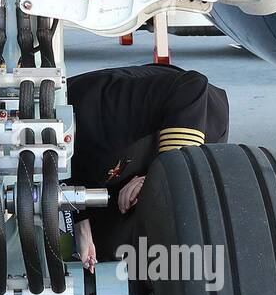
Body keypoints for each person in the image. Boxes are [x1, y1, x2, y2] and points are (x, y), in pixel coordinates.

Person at [66, 64, 229, 267]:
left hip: (190, 114)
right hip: (102, 144)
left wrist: (157, 178)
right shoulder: (95, 112)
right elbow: (74, 171)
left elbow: (193, 85)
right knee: (105, 256)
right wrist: (83, 226)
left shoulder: (105, 115)